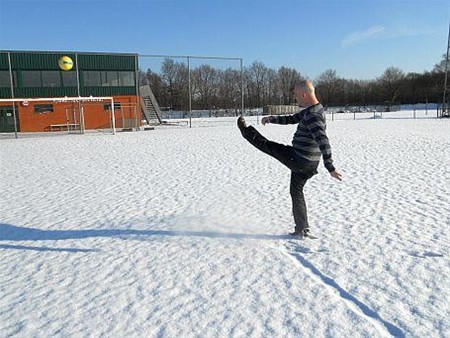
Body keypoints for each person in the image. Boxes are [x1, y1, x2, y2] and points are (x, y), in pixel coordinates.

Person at [237, 80, 342, 238]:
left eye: (296, 95)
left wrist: (330, 167)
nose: (295, 98)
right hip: (306, 162)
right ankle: (302, 229)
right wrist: (272, 119)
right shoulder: (314, 109)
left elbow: (323, 141)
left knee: (269, 146)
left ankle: (246, 131)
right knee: (296, 191)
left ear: (304, 94)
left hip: (300, 159)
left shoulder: (313, 116)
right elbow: (292, 119)